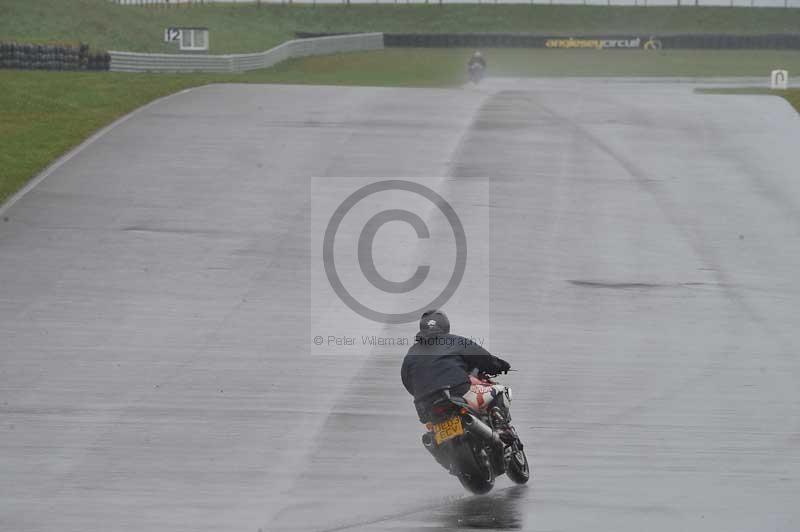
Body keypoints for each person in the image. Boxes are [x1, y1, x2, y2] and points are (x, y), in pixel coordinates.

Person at [401, 309, 515, 440]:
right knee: (500, 391)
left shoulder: (412, 352)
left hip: (425, 406)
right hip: (457, 393)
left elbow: (406, 380)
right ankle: (501, 429)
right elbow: (483, 357)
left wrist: (425, 392)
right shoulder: (454, 341)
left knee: (431, 434)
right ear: (445, 325)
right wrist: (501, 365)